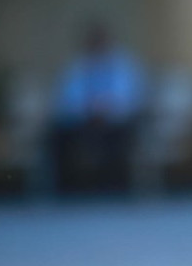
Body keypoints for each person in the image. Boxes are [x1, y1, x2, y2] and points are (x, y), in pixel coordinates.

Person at [50, 21, 146, 193]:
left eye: (100, 40)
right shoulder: (78, 65)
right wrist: (88, 110)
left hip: (116, 119)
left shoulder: (123, 64)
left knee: (122, 136)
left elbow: (130, 96)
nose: (97, 45)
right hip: (84, 119)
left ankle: (116, 185)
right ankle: (68, 186)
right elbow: (67, 98)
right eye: (93, 41)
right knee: (57, 134)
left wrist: (106, 109)